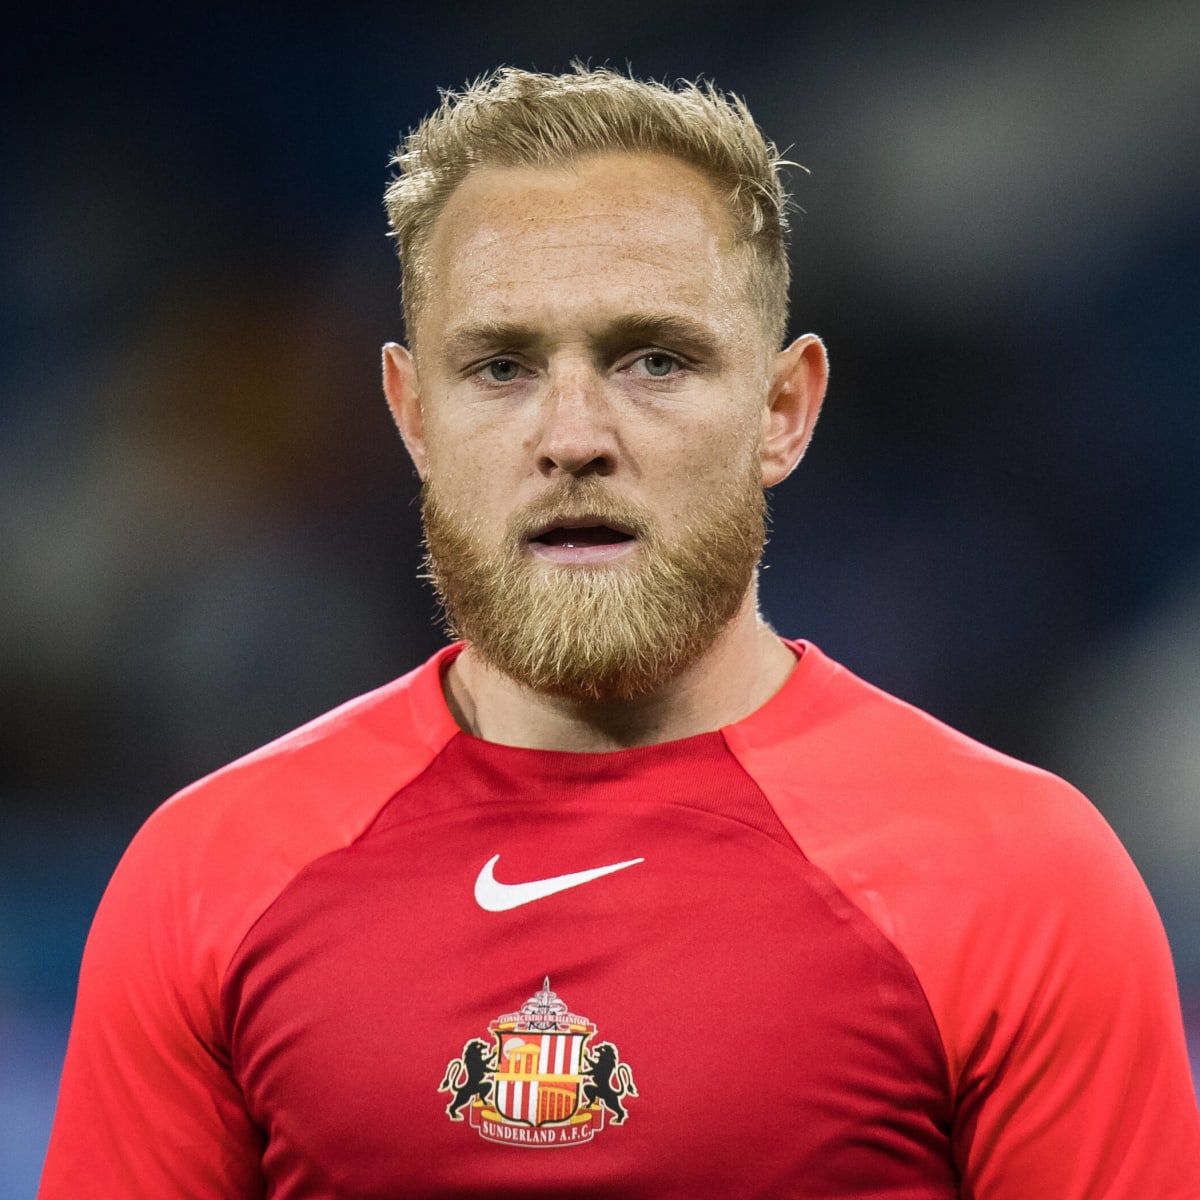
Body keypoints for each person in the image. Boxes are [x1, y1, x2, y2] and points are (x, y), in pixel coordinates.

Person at [40, 65, 1200, 1199]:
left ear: (783, 410)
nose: (575, 436)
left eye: (656, 360)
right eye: (501, 366)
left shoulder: (1016, 880)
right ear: (412, 415)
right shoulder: (211, 877)